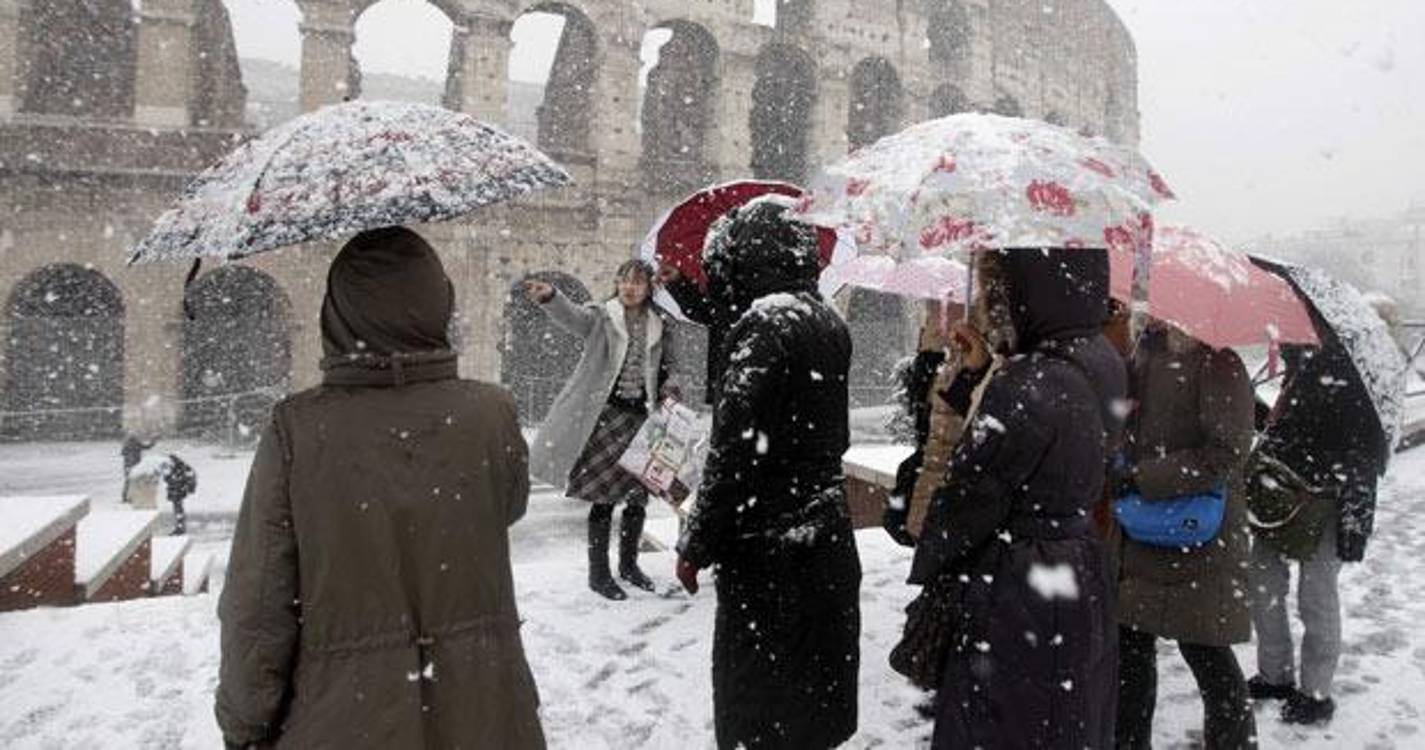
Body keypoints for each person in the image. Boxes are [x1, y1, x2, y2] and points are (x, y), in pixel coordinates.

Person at [215, 227, 544, 749]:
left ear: (336, 314)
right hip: (487, 710)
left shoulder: (298, 429)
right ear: (440, 303)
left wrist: (246, 722)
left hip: (346, 716)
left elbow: (258, 603)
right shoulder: (491, 411)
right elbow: (507, 505)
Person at [909, 248, 1125, 749]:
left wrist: (932, 555)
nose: (988, 304)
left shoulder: (1027, 380)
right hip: (1079, 570)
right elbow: (1049, 444)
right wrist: (980, 373)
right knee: (1067, 719)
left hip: (1017, 582)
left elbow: (970, 493)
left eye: (996, 293)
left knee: (1003, 721)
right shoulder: (1099, 358)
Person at [675, 198, 860, 749]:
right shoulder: (826, 317)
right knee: (811, 705)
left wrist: (697, 542)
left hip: (769, 548)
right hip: (824, 538)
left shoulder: (764, 327)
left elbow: (733, 454)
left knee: (763, 708)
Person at [1113, 322, 1258, 749]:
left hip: (1198, 534)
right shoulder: (1144, 350)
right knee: (1131, 650)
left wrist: (1144, 476)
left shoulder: (1219, 361)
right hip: (1143, 529)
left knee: (1207, 651)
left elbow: (1227, 452)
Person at [1246, 332, 1389, 725]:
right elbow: (1281, 435)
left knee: (1317, 596)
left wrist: (1355, 522)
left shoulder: (1346, 373)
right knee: (1263, 583)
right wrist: (1252, 404)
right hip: (1281, 498)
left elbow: (1364, 453)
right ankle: (1275, 676)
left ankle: (1316, 692)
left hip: (1326, 501)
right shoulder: (1300, 369)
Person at [525, 259, 674, 600]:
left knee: (637, 499)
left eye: (637, 281)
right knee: (604, 498)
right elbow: (575, 318)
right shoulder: (602, 315)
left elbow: (668, 366)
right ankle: (598, 573)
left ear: (649, 287)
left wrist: (671, 387)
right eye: (624, 280)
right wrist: (552, 297)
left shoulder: (659, 322)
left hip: (644, 420)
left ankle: (629, 565)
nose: (629, 287)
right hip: (606, 419)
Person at [120, 433, 155, 503]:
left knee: (129, 482)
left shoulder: (128, 446)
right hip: (134, 466)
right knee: (133, 482)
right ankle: (130, 497)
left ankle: (126, 497)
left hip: (129, 466)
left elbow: (123, 453)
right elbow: (147, 447)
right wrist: (153, 441)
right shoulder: (136, 444)